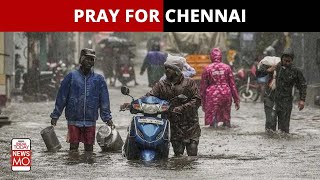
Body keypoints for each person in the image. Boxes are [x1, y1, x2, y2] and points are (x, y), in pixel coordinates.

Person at [50, 48, 114, 152]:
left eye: (92, 59)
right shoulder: (71, 77)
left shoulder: (99, 80)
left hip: (90, 120)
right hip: (73, 120)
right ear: (81, 60)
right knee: (73, 149)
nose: (90, 62)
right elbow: (62, 97)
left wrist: (107, 118)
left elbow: (104, 101)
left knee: (89, 150)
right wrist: (55, 115)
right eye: (88, 59)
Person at [145, 55, 201, 156]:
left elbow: (197, 100)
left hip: (191, 125)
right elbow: (150, 96)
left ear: (177, 70)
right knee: (178, 154)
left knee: (192, 153)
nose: (166, 70)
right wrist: (134, 103)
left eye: (169, 68)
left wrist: (181, 108)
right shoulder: (161, 85)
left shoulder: (189, 83)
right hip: (173, 126)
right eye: (165, 68)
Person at [256, 48, 307, 133]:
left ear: (292, 61)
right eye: (285, 60)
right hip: (271, 98)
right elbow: (258, 74)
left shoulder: (295, 71)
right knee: (270, 125)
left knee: (284, 129)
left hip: (285, 101)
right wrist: (268, 70)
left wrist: (302, 100)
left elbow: (302, 85)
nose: (287, 63)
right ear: (281, 59)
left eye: (289, 61)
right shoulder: (274, 66)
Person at [200, 48, 240, 128]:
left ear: (211, 57)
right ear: (221, 57)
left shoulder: (207, 68)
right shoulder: (227, 68)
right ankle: (226, 127)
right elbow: (232, 85)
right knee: (226, 115)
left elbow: (203, 87)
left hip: (212, 95)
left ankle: (214, 129)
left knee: (212, 117)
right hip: (226, 94)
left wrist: (202, 101)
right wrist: (236, 100)